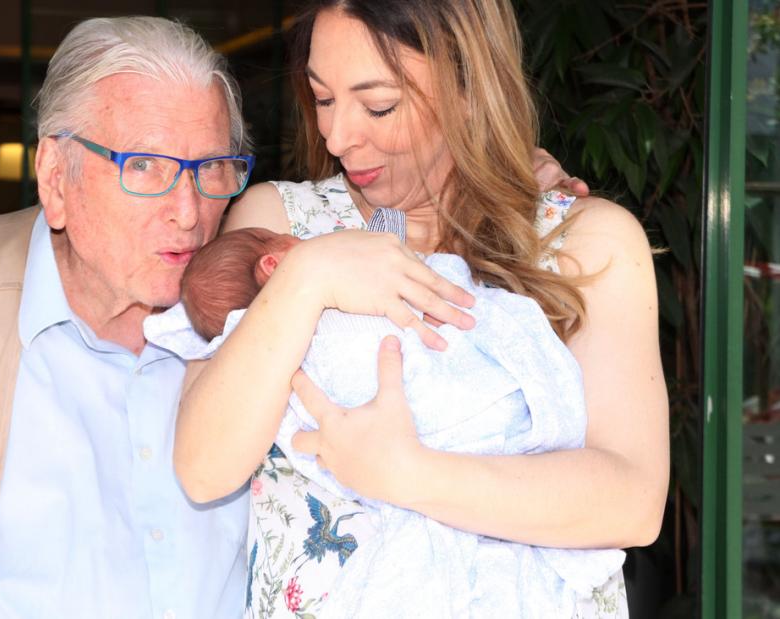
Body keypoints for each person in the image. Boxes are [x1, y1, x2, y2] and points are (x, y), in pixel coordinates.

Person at [0, 14, 580, 619]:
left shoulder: (261, 315)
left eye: (212, 168)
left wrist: (498, 178)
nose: (189, 209)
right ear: (56, 177)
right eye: (146, 168)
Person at [173, 1, 668, 617]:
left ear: (469, 88)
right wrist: (307, 277)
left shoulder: (585, 243)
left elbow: (631, 501)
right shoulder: (278, 228)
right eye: (323, 98)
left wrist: (408, 474)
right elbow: (202, 467)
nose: (336, 137)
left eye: (379, 105)